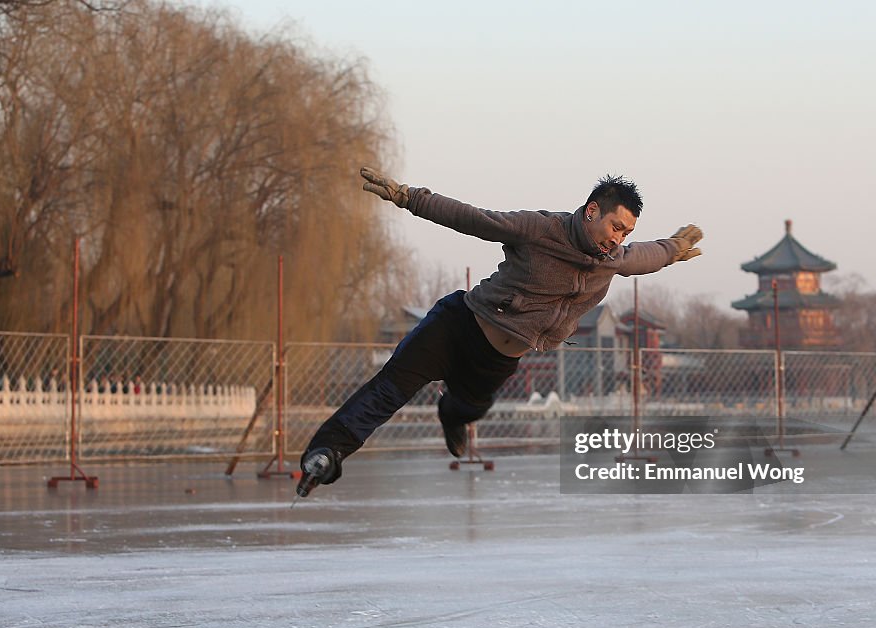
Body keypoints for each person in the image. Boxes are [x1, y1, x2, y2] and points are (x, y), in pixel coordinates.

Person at [296, 167, 704, 498]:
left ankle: (450, 415)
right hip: (457, 325)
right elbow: (476, 219)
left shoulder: (611, 259)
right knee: (388, 390)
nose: (617, 239)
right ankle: (326, 453)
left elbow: (645, 257)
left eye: (625, 234)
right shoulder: (541, 229)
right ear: (592, 211)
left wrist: (672, 248)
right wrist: (410, 197)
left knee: (469, 409)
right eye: (615, 226)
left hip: (498, 358)